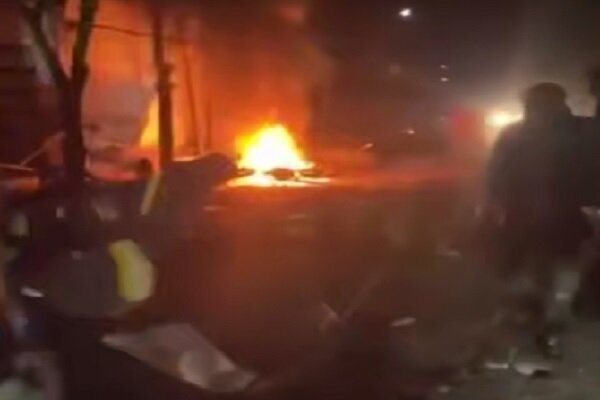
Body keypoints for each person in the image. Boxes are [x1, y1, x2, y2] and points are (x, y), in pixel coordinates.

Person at [485, 82, 590, 356]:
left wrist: (493, 200)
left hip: (548, 212)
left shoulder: (572, 131)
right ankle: (541, 316)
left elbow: (496, 171)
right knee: (549, 265)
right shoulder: (574, 129)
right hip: (542, 212)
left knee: (552, 265)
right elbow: (496, 171)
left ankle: (544, 318)